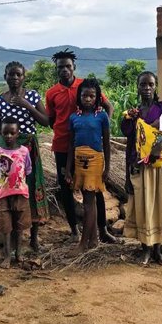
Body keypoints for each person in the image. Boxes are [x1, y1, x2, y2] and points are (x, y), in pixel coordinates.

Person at [45, 49, 117, 243]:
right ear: (56, 69)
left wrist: (100, 127)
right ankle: (75, 231)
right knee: (66, 188)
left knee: (94, 189)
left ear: (74, 67)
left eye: (68, 66)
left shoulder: (85, 86)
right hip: (63, 147)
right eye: (61, 67)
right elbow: (51, 119)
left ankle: (102, 230)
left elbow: (108, 106)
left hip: (89, 148)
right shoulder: (51, 93)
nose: (65, 70)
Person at [121, 71, 162, 265]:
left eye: (150, 84)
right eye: (143, 85)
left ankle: (157, 250)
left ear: (155, 86)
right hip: (140, 167)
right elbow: (131, 143)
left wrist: (160, 146)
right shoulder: (134, 114)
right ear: (137, 87)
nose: (146, 88)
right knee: (144, 207)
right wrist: (126, 173)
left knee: (160, 206)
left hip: (160, 166)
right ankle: (145, 250)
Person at [0, 61, 49, 252]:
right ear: (5, 76)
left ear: (23, 77)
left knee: (31, 189)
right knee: (10, 193)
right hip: (6, 153)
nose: (14, 78)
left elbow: (46, 121)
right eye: (11, 74)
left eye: (18, 74)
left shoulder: (32, 96)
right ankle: (13, 240)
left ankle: (33, 237)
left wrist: (27, 106)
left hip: (28, 151)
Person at [65, 78, 111, 253]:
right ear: (79, 97)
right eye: (85, 95)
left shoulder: (101, 116)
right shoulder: (73, 118)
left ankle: (84, 243)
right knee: (87, 200)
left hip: (95, 161)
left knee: (89, 202)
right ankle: (93, 240)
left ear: (97, 97)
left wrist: (107, 168)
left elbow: (106, 144)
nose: (88, 99)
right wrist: (68, 169)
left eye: (92, 96)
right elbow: (70, 144)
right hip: (78, 160)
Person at [0, 117, 32, 269]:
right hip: (3, 195)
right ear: (1, 133)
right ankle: (7, 255)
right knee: (6, 227)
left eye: (12, 133)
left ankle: (19, 253)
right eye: (5, 133)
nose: (8, 136)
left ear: (17, 133)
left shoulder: (24, 151)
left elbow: (28, 169)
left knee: (19, 226)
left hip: (21, 194)